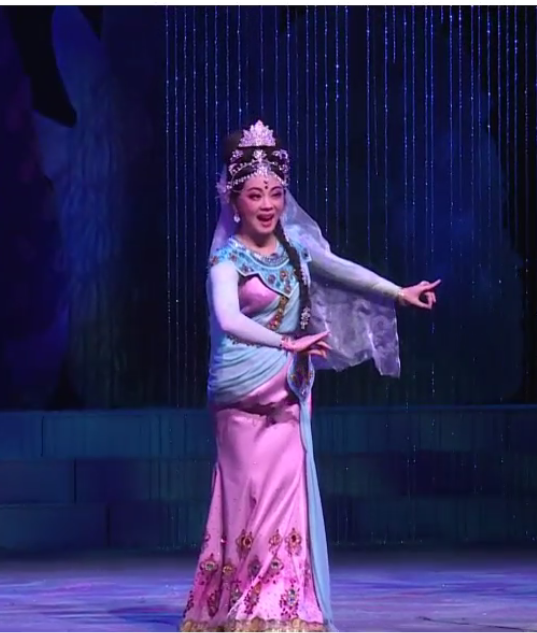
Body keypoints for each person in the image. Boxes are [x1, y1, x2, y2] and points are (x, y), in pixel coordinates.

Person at [180, 121, 440, 632]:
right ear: (234, 200)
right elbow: (228, 320)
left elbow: (343, 270)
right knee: (245, 503)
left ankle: (282, 610)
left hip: (287, 392)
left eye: (275, 193)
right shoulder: (225, 262)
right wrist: (284, 343)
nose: (267, 204)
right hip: (240, 394)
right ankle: (237, 607)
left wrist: (398, 293)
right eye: (255, 194)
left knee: (285, 503)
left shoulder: (295, 248)